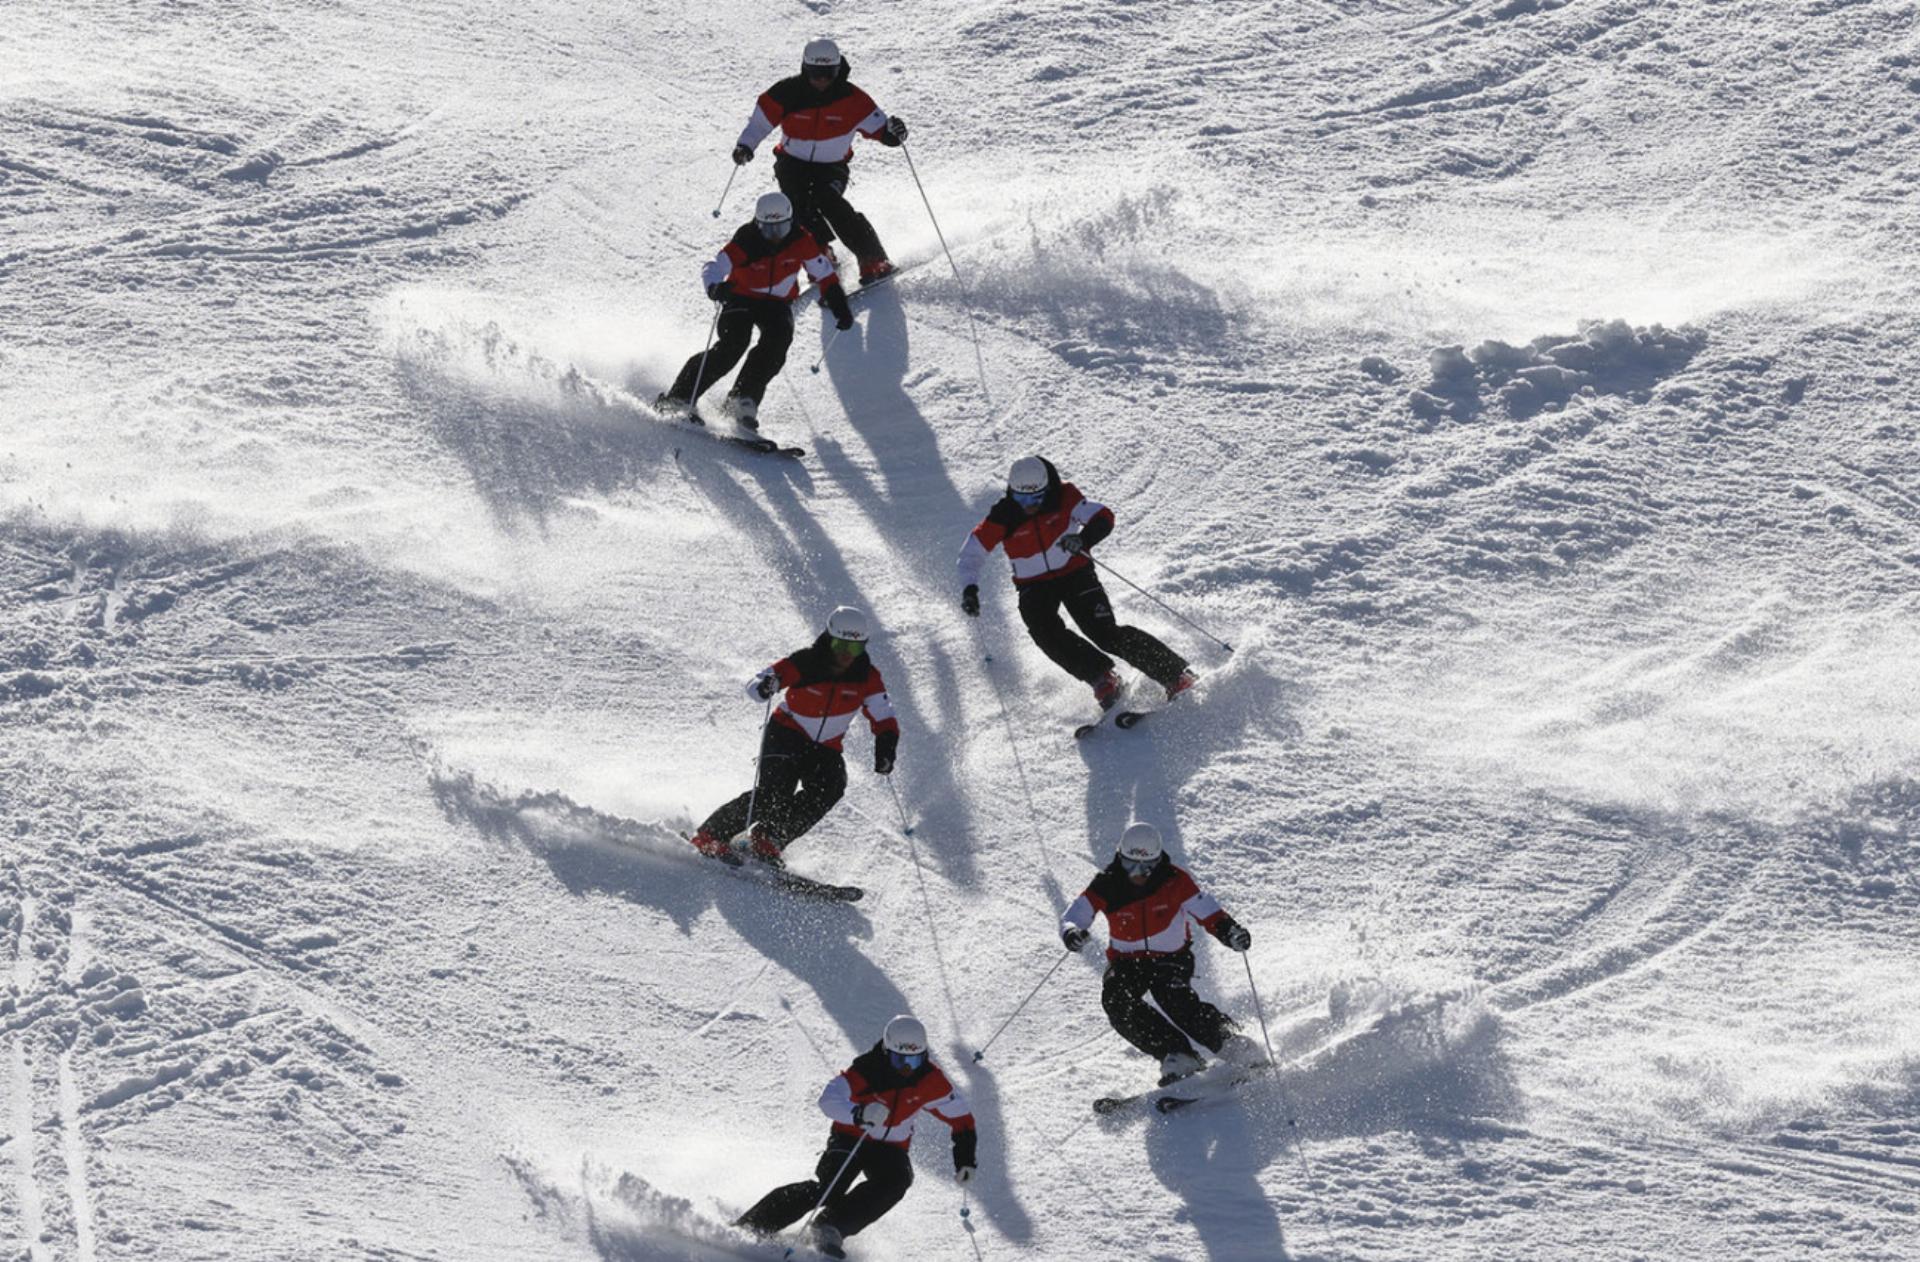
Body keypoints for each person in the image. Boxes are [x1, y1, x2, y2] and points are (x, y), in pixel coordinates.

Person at [957, 455, 1198, 713]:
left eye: (1036, 498)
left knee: (1104, 633)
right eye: (1022, 499)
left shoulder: (1065, 497)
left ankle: (1175, 675)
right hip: (1033, 585)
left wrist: (1083, 541)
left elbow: (1103, 516)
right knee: (1044, 632)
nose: (1029, 506)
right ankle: (1102, 678)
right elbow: (971, 553)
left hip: (1075, 573)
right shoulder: (1003, 515)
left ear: (1046, 489)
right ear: (1012, 492)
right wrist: (969, 588)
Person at [736, 1014, 977, 1259]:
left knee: (897, 1180)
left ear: (923, 1055)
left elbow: (962, 1120)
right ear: (886, 1051)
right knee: (830, 1187)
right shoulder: (867, 1071)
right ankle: (754, 1224)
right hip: (851, 1135)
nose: (905, 1069)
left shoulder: (930, 1080)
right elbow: (828, 1099)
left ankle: (830, 1226)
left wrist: (965, 1159)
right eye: (898, 1060)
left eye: (913, 1062)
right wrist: (858, 1114)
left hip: (891, 1147)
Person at [688, 606, 897, 867]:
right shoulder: (805, 662)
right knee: (775, 792)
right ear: (828, 638)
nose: (846, 654)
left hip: (825, 747)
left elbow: (884, 716)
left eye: (854, 648)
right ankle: (711, 834)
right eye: (840, 645)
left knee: (830, 788)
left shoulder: (867, 676)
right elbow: (757, 684)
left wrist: (886, 748)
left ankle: (768, 838)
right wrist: (766, 686)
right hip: (786, 733)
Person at [1060, 823, 1263, 1085]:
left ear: (1157, 862)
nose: (1138, 874)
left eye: (1146, 867)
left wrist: (1230, 931)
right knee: (1116, 1000)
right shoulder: (1108, 884)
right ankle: (1177, 1053)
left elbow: (1208, 911)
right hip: (1127, 961)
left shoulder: (1175, 881)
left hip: (1171, 958)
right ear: (1120, 857)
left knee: (1174, 998)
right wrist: (1072, 932)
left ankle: (1235, 1045)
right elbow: (1075, 915)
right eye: (1130, 864)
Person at [657, 191, 853, 430]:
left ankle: (741, 400)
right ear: (757, 223)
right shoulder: (747, 239)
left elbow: (824, 274)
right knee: (733, 345)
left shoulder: (801, 240)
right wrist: (716, 288)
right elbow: (713, 266)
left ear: (790, 222)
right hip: (741, 297)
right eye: (767, 229)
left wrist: (839, 305)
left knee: (777, 343)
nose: (773, 237)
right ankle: (679, 397)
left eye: (780, 229)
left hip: (777, 304)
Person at [731, 37, 909, 285]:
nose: (822, 80)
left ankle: (873, 261)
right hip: (792, 162)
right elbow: (760, 122)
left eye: (828, 73)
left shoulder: (853, 99)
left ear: (837, 71)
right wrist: (745, 146)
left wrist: (895, 133)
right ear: (805, 69)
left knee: (831, 203)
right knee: (799, 205)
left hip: (832, 167)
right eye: (816, 73)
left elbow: (882, 131)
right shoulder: (786, 92)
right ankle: (821, 256)